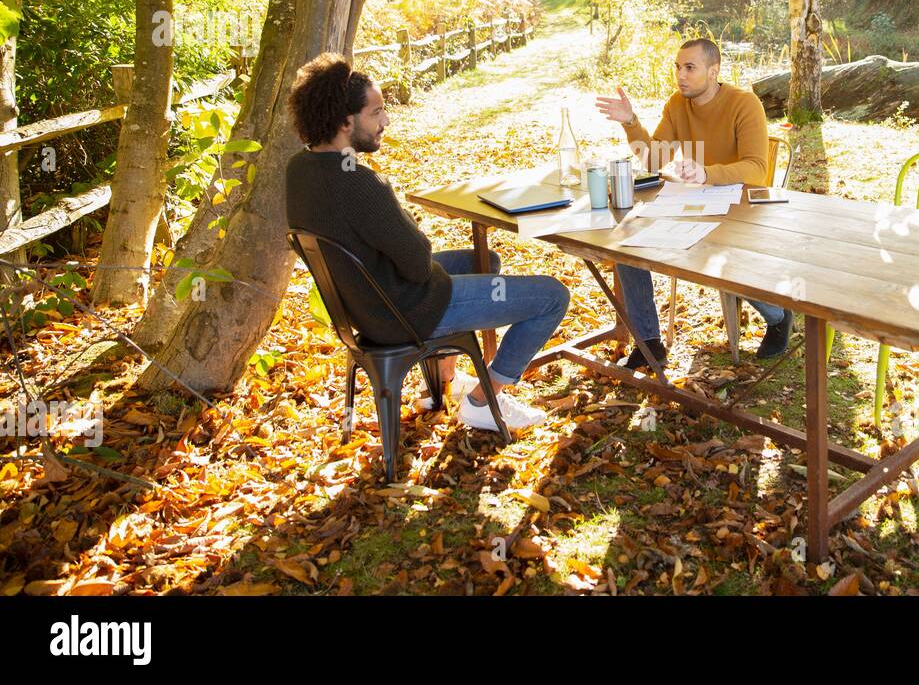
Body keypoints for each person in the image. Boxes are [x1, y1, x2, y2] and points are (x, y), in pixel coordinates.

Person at [284, 53, 569, 431]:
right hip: (404, 312)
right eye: (376, 112)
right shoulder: (362, 185)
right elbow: (418, 264)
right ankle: (486, 399)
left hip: (363, 305)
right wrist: (406, 223)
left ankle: (442, 382)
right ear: (344, 121)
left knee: (486, 261)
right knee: (552, 296)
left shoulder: (298, 170)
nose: (386, 121)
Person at [594, 37, 792, 367]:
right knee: (628, 245)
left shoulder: (744, 103)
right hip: (696, 203)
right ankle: (649, 343)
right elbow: (655, 160)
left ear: (713, 71)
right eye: (677, 67)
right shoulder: (677, 104)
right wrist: (631, 122)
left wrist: (706, 173)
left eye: (690, 68)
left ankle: (778, 315)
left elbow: (757, 169)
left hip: (742, 207)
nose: (680, 75)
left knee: (719, 259)